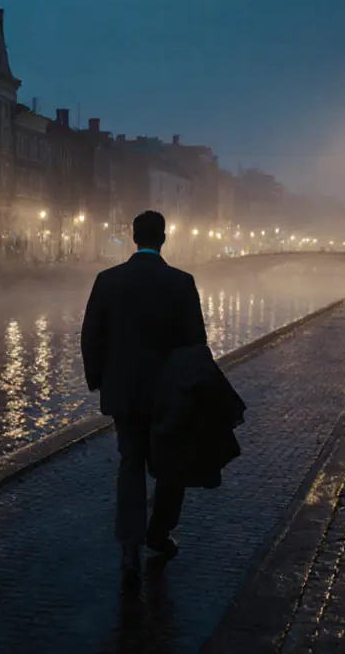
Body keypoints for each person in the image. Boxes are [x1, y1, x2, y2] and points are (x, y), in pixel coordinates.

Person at [81, 210, 208, 582]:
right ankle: (159, 532)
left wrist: (98, 380)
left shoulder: (108, 280)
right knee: (172, 465)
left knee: (130, 464)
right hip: (169, 394)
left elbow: (91, 335)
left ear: (133, 237)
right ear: (164, 239)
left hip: (124, 393)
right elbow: (195, 342)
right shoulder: (182, 283)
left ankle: (129, 545)